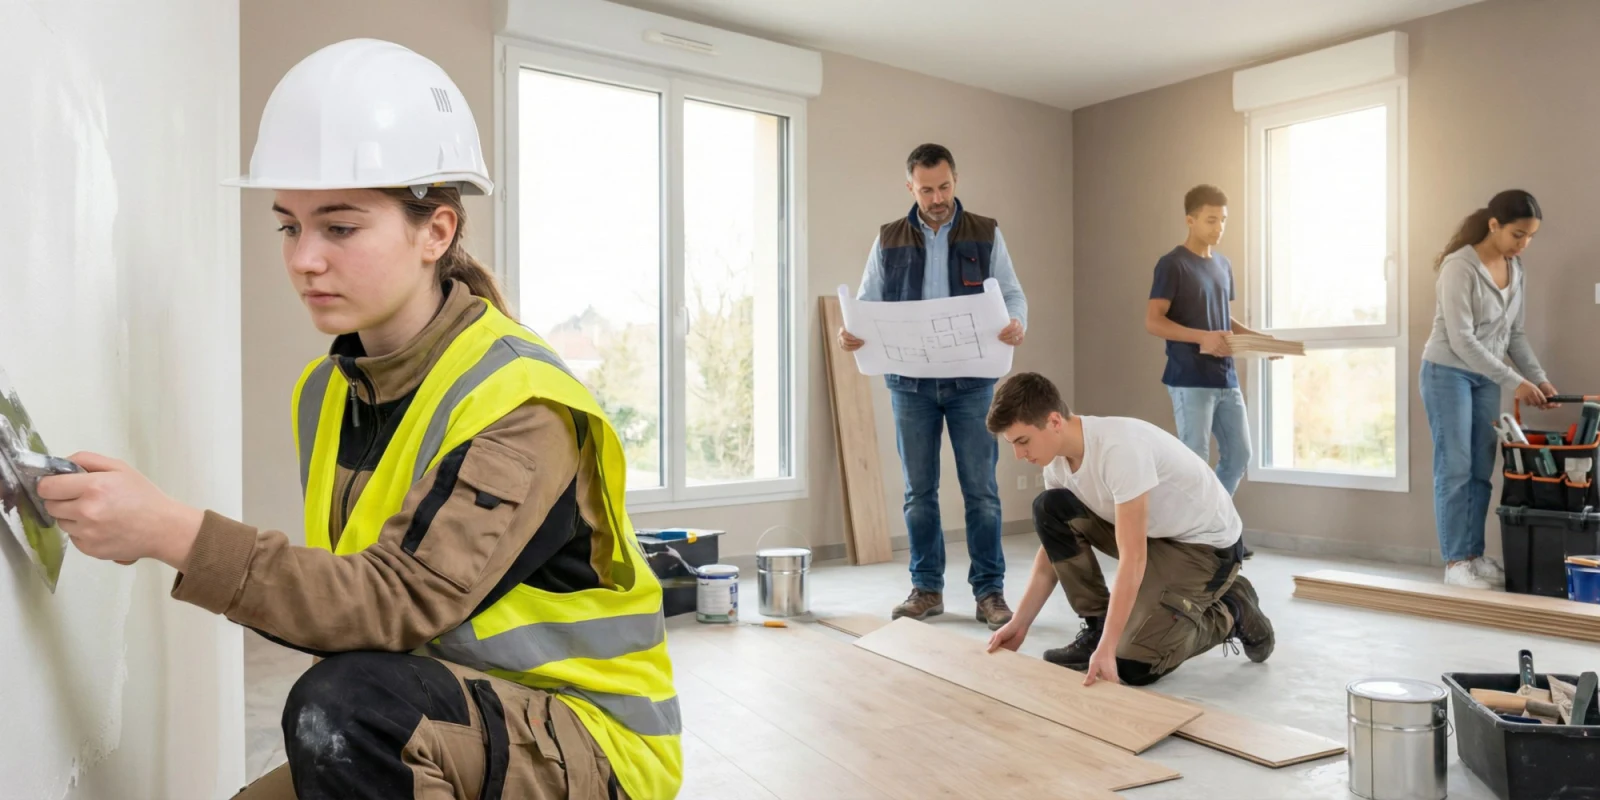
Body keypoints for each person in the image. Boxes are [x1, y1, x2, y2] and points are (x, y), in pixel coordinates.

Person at [37, 39, 680, 800]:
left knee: (341, 711)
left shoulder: (521, 401)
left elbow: (392, 603)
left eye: (339, 228)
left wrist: (169, 530)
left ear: (435, 232)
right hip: (442, 708)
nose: (304, 259)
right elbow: (351, 608)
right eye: (289, 226)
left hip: (587, 743)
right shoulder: (329, 390)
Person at [837, 143, 1027, 629]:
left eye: (944, 186)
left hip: (973, 384)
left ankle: (990, 593)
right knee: (918, 492)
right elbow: (866, 302)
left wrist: (1016, 322)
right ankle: (926, 589)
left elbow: (1010, 293)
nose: (937, 197)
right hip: (909, 385)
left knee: (981, 491)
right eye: (927, 189)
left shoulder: (986, 233)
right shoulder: (889, 239)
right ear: (910, 188)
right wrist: (851, 332)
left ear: (955, 180)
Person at [982, 372, 1274, 687]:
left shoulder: (1118, 449)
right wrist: (1020, 623)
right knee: (1050, 508)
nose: (1018, 454)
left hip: (1206, 550)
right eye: (1012, 444)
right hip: (1154, 536)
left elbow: (1133, 558)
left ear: (1054, 421)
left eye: (1022, 441)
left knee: (1133, 665)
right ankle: (1097, 626)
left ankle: (1233, 609)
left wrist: (1111, 649)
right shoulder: (1056, 463)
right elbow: (1051, 552)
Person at [1421, 189, 1556, 589]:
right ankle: (1455, 562)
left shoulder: (1517, 271)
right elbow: (1462, 341)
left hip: (1485, 376)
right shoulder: (1459, 267)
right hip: (1447, 372)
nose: (1524, 244)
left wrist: (1540, 377)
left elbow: (1515, 334)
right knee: (1455, 469)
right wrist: (1516, 382)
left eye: (1530, 236)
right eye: (1518, 234)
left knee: (1482, 470)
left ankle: (1474, 556)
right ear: (1493, 225)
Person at [1144, 185, 1266, 558]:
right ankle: (1198, 538)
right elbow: (1154, 321)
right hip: (1188, 378)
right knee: (1193, 461)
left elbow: (1222, 318)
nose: (1218, 227)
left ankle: (1211, 527)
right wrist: (1202, 338)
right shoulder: (1172, 264)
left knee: (1239, 455)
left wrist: (1258, 340)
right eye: (1211, 220)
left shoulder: (1223, 265)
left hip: (1225, 378)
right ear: (1191, 219)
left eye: (1223, 220)